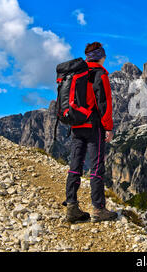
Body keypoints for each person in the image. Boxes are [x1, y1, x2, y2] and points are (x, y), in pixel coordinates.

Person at [65, 42, 117, 223]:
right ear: (100, 56)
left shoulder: (76, 73)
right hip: (94, 126)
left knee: (75, 166)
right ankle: (98, 209)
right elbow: (105, 103)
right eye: (104, 55)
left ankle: (72, 207)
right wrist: (108, 127)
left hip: (77, 124)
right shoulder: (100, 74)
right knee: (96, 168)